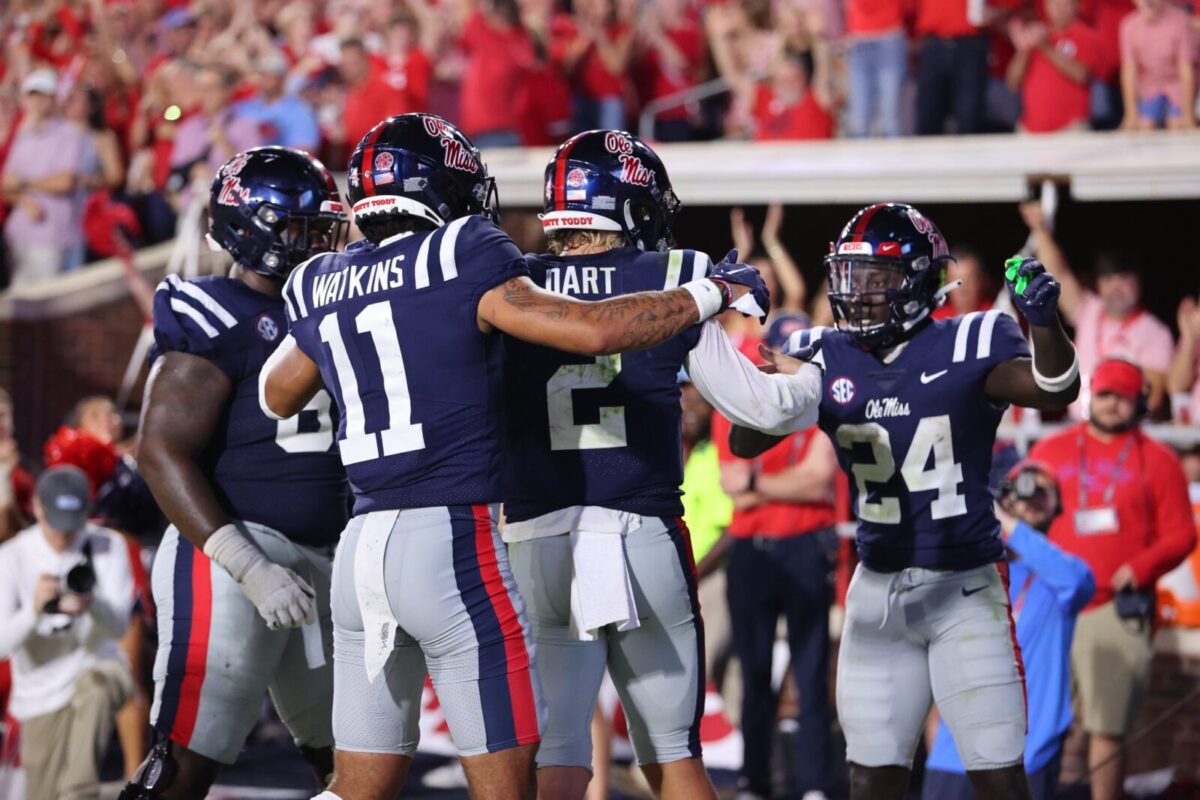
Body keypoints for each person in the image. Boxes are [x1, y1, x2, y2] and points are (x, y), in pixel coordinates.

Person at [259, 113, 769, 800]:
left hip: (361, 548)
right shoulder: (463, 250)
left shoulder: (321, 277)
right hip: (449, 539)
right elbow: (591, 331)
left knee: (355, 791)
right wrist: (711, 291)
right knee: (509, 785)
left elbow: (277, 395)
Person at [500, 130, 823, 800]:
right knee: (673, 756)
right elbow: (761, 408)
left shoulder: (510, 284)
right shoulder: (674, 279)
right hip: (636, 531)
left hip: (534, 538)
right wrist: (815, 379)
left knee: (556, 756)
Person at [731, 202, 1081, 800]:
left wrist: (1045, 325)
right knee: (871, 781)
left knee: (998, 778)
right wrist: (787, 393)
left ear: (918, 283)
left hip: (965, 585)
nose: (858, 294)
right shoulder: (825, 351)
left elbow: (1058, 385)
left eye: (876, 279)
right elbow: (745, 439)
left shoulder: (973, 338)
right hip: (878, 589)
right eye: (851, 277)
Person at [120, 147, 351, 800]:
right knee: (186, 761)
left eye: (321, 227)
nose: (315, 242)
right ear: (252, 227)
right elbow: (161, 451)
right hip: (232, 552)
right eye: (300, 227)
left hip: (324, 559)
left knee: (357, 765)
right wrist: (246, 564)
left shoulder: (328, 305)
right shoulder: (215, 310)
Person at [1028, 357, 1195, 800]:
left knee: (1108, 728)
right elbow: (1016, 507)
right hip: (1051, 607)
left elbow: (1182, 534)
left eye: (1123, 397)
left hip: (1114, 610)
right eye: (1104, 394)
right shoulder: (1052, 449)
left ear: (1138, 402)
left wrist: (1141, 567)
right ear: (1089, 396)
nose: (1112, 405)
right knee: (1042, 725)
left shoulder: (1158, 460)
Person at [923, 460, 1095, 800]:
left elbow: (1078, 581)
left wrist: (1006, 520)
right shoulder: (973, 569)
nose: (1031, 497)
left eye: (1043, 492)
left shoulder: (1059, 577)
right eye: (1022, 488)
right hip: (954, 756)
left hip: (1026, 755)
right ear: (1004, 496)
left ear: (1058, 506)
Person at [0, 466, 136, 800]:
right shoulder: (12, 556)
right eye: (56, 523)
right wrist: (33, 610)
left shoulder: (108, 545)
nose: (63, 535)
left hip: (97, 665)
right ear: (36, 507)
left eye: (71, 525)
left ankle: (79, 792)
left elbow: (119, 627)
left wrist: (92, 603)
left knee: (98, 683)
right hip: (39, 691)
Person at [1019, 200, 1175, 416]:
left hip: (1123, 430)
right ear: (1098, 284)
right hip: (1079, 429)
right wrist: (1040, 228)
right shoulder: (1089, 310)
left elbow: (1152, 399)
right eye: (1108, 279)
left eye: (1123, 279)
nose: (1115, 287)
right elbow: (1057, 274)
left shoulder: (1156, 333)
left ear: (1139, 282)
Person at [1, 68, 90, 286]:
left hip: (52, 236)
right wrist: (22, 198)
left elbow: (64, 181)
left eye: (42, 95)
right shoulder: (23, 136)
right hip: (19, 235)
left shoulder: (70, 134)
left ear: (53, 98)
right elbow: (5, 184)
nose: (37, 101)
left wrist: (24, 184)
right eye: (32, 95)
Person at [1006, 0, 1103, 134]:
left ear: (1075, 6)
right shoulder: (1036, 35)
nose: (1058, 9)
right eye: (1054, 4)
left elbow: (1083, 75)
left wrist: (1046, 48)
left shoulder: (1086, 35)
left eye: (1064, 4)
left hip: (1071, 130)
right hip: (1031, 130)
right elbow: (1012, 82)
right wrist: (1023, 50)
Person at [1119, 0, 1197, 130]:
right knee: (1144, 126)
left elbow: (1186, 70)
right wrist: (1131, 115)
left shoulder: (1180, 22)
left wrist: (1188, 114)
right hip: (1151, 84)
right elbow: (1129, 71)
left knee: (1178, 125)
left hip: (1177, 82)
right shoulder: (1129, 26)